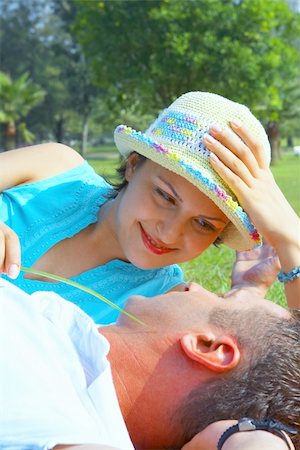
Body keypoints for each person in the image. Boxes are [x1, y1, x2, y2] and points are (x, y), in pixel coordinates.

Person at [0, 92, 299, 324]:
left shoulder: (161, 303)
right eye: (165, 196)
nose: (169, 234)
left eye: (204, 224)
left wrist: (290, 239)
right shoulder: (53, 168)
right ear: (133, 166)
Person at [0, 278, 299, 449]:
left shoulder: (59, 413)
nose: (193, 285)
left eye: (220, 298)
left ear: (209, 347)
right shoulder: (67, 361)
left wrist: (260, 441)